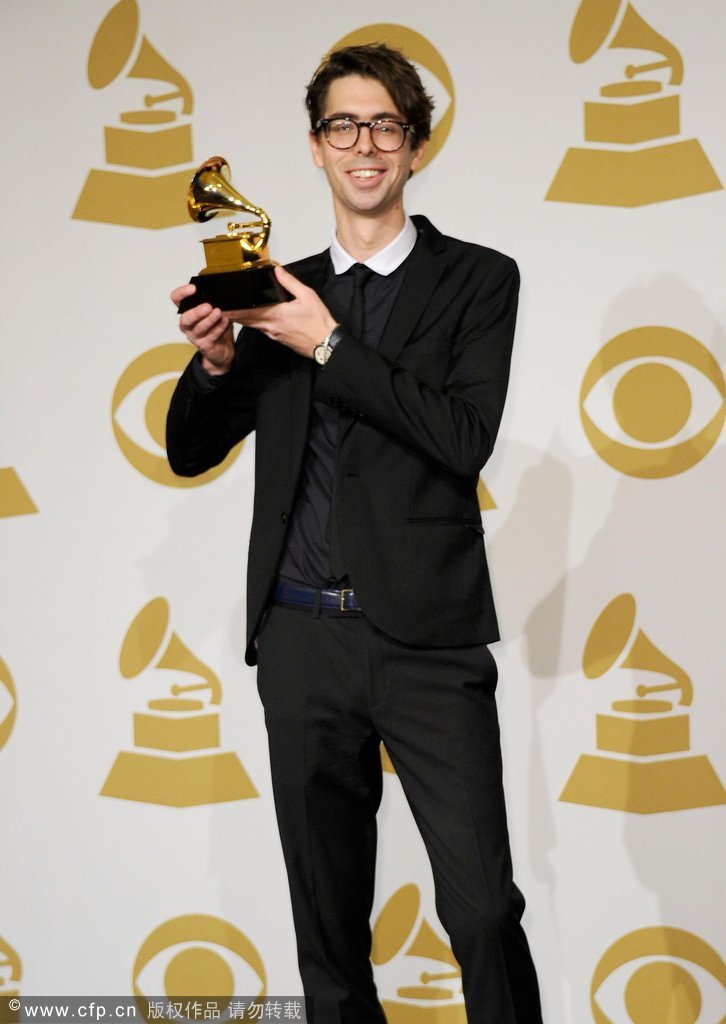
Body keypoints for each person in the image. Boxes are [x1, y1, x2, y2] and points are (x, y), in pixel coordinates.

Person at [167, 43, 542, 1024]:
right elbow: (189, 449)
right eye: (343, 126)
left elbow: (459, 436)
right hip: (300, 639)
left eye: (384, 125)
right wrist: (214, 364)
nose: (363, 145)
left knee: (484, 909)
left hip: (428, 640)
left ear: (415, 147)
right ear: (316, 148)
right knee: (327, 934)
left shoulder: (478, 281)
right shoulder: (269, 286)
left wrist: (325, 342)